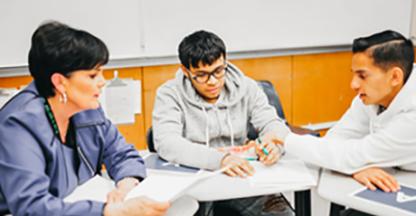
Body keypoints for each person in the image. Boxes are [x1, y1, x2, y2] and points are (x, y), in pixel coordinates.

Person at [0, 21, 170, 216]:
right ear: (60, 82)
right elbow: (32, 207)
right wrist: (109, 212)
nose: (102, 82)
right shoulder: (18, 125)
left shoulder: (88, 109)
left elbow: (122, 154)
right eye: (92, 75)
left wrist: (126, 185)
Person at [152, 30, 293, 215]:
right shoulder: (169, 94)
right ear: (185, 71)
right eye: (201, 75)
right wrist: (220, 160)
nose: (213, 82)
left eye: (218, 71)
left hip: (240, 176)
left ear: (225, 61)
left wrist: (273, 144)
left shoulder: (247, 87)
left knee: (282, 213)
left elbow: (273, 124)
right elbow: (167, 143)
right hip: (197, 178)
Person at [274, 30, 416, 194]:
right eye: (354, 75)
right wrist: (357, 166)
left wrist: (284, 138)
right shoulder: (373, 95)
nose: (353, 85)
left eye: (362, 76)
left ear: (395, 77)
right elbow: (336, 139)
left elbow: (351, 157)